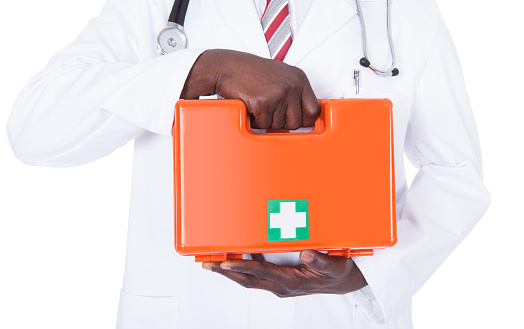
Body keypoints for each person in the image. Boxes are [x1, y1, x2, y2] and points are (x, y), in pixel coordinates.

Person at [6, 0, 491, 328]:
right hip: (189, 308)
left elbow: (455, 169)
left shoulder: (396, 11)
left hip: (339, 315)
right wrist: (203, 68)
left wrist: (373, 273)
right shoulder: (159, 8)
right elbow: (34, 128)